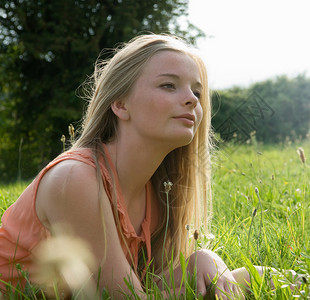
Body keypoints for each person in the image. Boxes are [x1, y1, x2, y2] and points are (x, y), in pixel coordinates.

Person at [0, 34, 279, 299]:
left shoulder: (159, 192)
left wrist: (205, 261)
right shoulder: (74, 179)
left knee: (267, 277)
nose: (192, 99)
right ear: (120, 104)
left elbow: (146, 287)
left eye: (196, 91)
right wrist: (215, 277)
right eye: (168, 85)